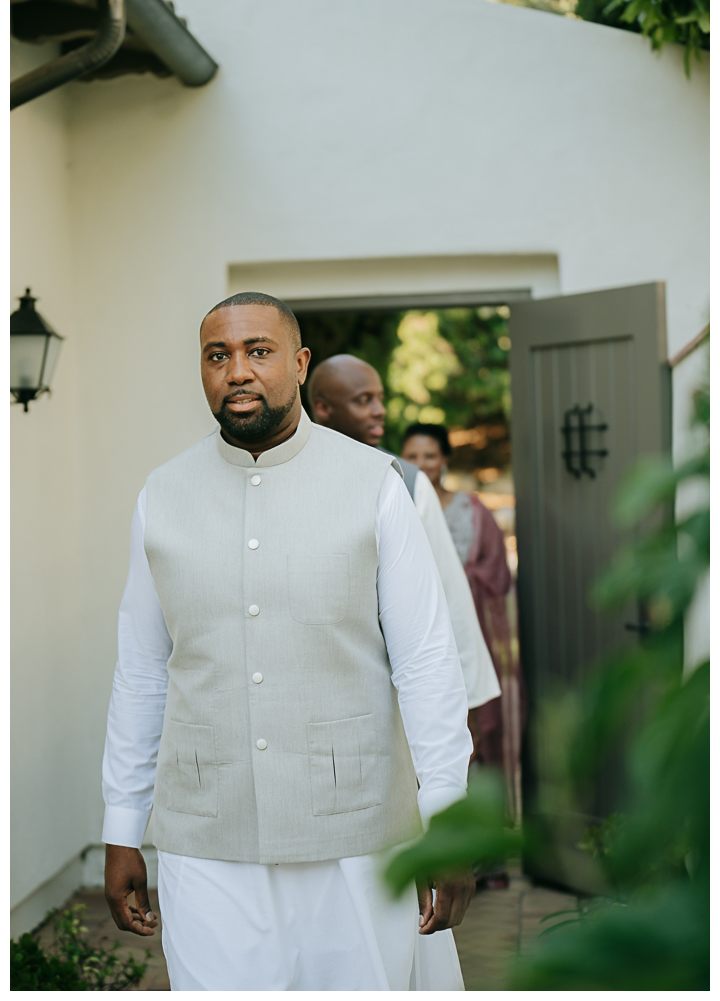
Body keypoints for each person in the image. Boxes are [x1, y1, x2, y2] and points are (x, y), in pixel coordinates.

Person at [102, 292, 477, 991]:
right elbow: (143, 672)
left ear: (299, 365)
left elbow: (426, 663)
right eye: (219, 356)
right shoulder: (162, 496)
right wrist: (122, 824)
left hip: (356, 835)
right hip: (205, 835)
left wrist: (449, 823)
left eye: (258, 351)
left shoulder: (376, 487)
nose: (237, 370)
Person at [307, 354, 500, 715]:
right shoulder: (290, 481)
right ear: (322, 408)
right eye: (364, 400)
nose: (379, 410)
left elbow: (448, 593)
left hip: (392, 694)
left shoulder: (408, 482)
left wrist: (465, 702)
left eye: (380, 398)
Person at [401, 423, 525, 838]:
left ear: (445, 459)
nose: (422, 465)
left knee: (477, 731)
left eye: (430, 456)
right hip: (416, 631)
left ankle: (485, 851)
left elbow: (497, 571)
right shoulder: (396, 499)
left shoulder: (471, 509)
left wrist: (461, 579)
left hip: (468, 629)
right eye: (413, 457)